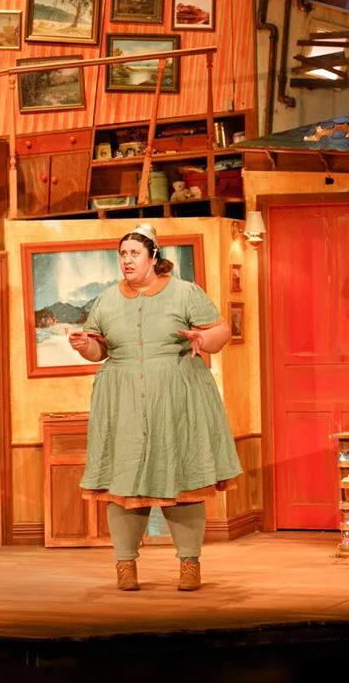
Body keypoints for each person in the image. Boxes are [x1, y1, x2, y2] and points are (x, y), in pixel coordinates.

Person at [67, 223, 242, 592]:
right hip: (124, 403)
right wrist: (85, 346)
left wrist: (203, 337)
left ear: (153, 257)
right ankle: (125, 565)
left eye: (134, 253)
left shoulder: (185, 292)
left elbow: (221, 333)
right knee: (124, 483)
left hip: (178, 400)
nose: (127, 260)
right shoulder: (107, 299)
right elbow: (99, 351)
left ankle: (189, 564)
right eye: (122, 254)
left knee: (183, 481)